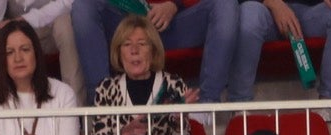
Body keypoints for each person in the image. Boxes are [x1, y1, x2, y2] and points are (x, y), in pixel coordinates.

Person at [70, 0, 235, 105]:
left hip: (173, 23)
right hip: (125, 23)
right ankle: (102, 101)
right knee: (83, 5)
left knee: (225, 3)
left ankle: (207, 104)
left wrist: (173, 5)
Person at [0, 0, 84, 98]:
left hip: (48, 26)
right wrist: (12, 27)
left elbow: (69, 3)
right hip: (10, 30)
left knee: (65, 25)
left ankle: (76, 111)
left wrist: (26, 20)